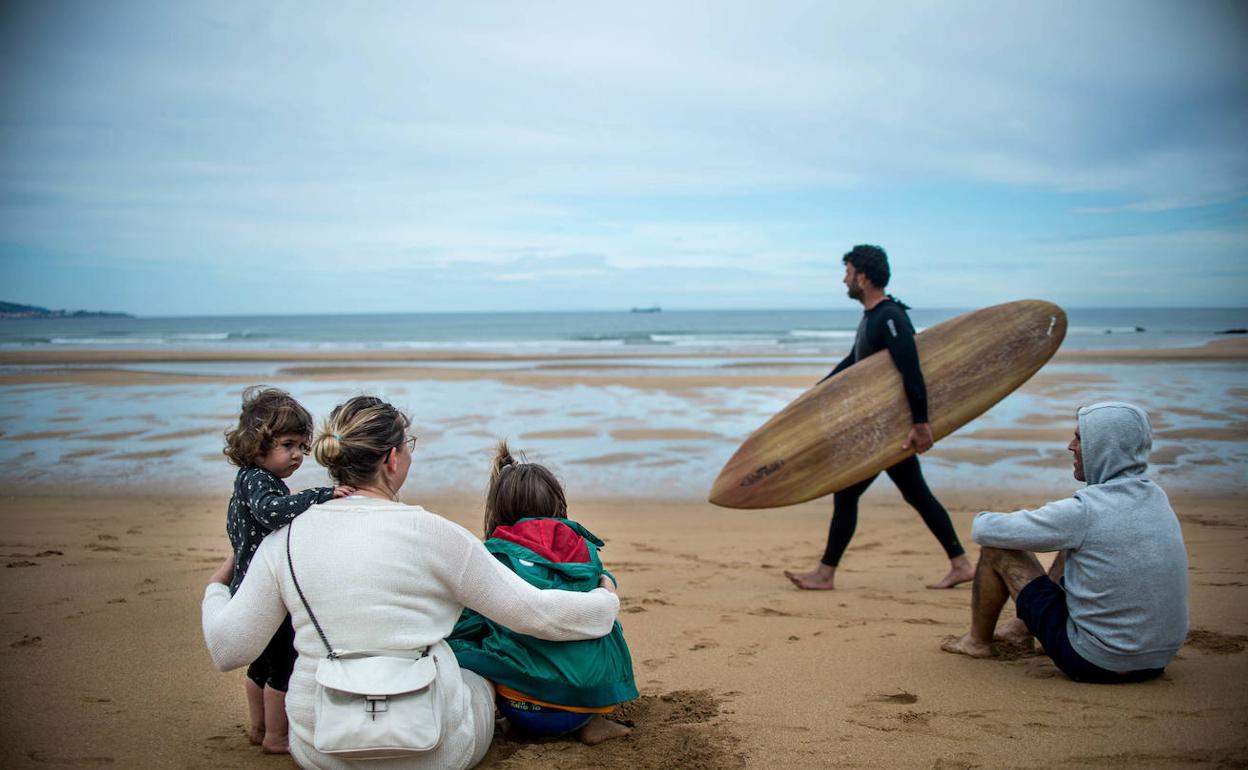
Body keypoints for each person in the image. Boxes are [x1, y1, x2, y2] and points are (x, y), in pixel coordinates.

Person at [202, 395, 620, 770]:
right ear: (392, 459)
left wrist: (217, 588)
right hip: (434, 750)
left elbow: (228, 647)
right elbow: (536, 615)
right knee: (477, 675)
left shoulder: (284, 539)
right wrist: (605, 598)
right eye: (408, 446)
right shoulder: (437, 535)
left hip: (323, 748)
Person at [941, 402, 1189, 683]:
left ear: (1104, 447)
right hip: (1156, 660)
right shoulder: (1157, 497)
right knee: (1072, 544)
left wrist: (1000, 517)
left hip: (1094, 661)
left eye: (1080, 438)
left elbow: (985, 530)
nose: (1071, 446)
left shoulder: (1086, 510)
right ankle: (1020, 632)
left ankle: (976, 642)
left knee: (997, 549)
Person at [785, 244, 972, 590]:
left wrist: (920, 424)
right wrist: (816, 394)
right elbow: (855, 363)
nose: (844, 279)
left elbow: (912, 371)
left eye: (849, 272)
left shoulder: (890, 317)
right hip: (886, 430)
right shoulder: (873, 317)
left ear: (864, 277)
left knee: (851, 494)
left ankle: (825, 574)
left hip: (892, 431)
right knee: (913, 493)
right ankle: (960, 563)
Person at [448, 442, 637, 746]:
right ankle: (596, 721)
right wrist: (607, 582)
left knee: (471, 631)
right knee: (604, 623)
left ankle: (511, 720)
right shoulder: (584, 550)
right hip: (584, 706)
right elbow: (600, 584)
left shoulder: (492, 557)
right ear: (557, 504)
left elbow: (466, 624)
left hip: (523, 709)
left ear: (498, 509)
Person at [221, 386, 354, 754]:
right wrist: (319, 495)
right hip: (264, 592)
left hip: (248, 587)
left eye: (301, 446)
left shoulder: (251, 480)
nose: (297, 455)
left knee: (260, 667)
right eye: (288, 445)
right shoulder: (258, 483)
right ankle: (276, 736)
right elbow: (272, 513)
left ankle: (259, 727)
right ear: (256, 443)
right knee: (282, 664)